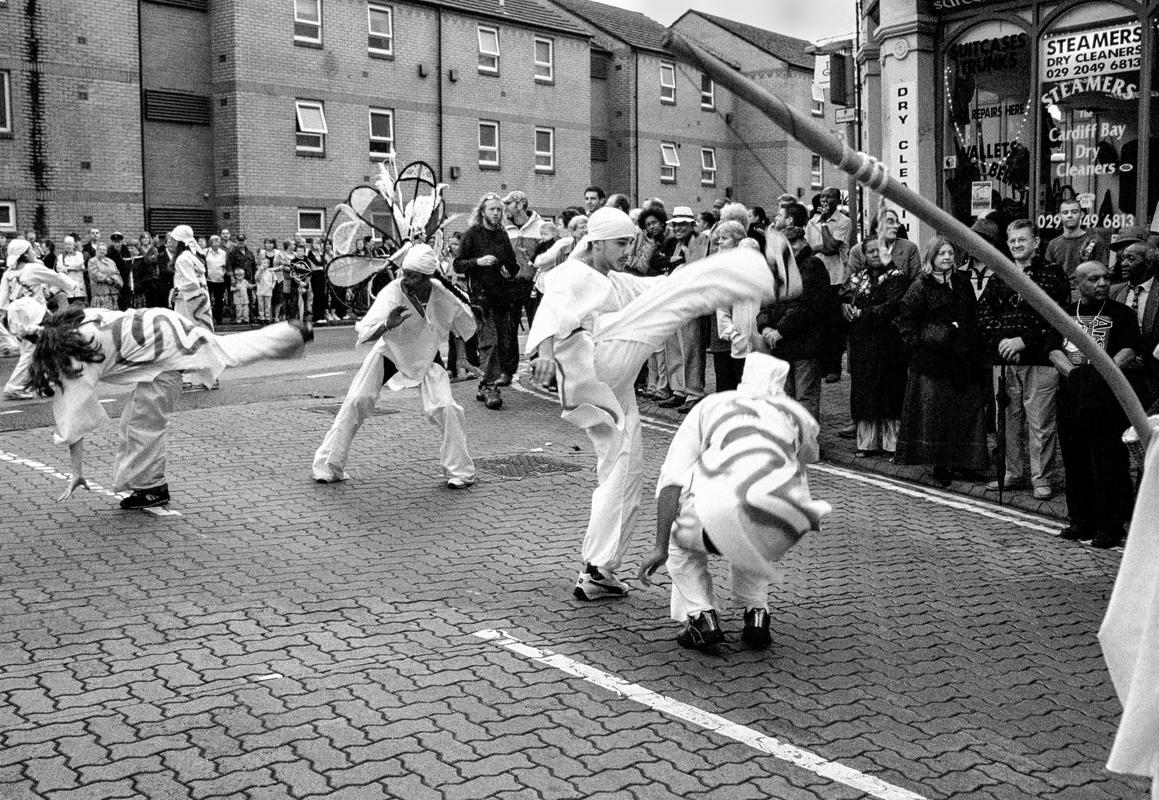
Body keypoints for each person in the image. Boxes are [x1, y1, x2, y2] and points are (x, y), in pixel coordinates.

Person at [527, 207, 791, 601]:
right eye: (619, 243)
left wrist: (687, 278)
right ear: (596, 241)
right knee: (666, 305)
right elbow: (551, 310)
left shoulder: (608, 278)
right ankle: (753, 270)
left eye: (629, 242)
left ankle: (599, 570)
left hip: (610, 389)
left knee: (625, 469)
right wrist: (543, 352)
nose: (626, 249)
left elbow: (648, 286)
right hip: (596, 362)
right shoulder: (573, 273)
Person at [9, 297, 311, 509]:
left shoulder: (71, 353)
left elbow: (73, 415)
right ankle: (292, 333)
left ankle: (152, 488)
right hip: (161, 325)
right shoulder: (75, 319)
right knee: (227, 349)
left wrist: (76, 471)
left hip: (161, 352)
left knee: (144, 424)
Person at [637, 353, 830, 651]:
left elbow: (672, 480)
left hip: (713, 520)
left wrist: (660, 546)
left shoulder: (710, 407)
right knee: (753, 534)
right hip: (781, 525)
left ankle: (702, 617)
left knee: (681, 545)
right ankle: (757, 613)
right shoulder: (790, 417)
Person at [312, 244, 478, 488]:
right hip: (389, 352)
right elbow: (365, 334)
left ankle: (460, 472)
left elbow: (460, 324)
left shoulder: (440, 293)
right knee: (358, 400)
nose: (406, 280)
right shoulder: (392, 290)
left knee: (446, 407)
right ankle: (329, 466)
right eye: (404, 273)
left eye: (412, 276)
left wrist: (462, 358)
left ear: (427, 278)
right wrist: (387, 325)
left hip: (426, 355)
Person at [1049, 261, 1140, 548]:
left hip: (1107, 399)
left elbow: (1129, 348)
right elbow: (1052, 348)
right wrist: (1074, 374)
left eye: (1105, 278)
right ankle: (1081, 521)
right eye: (1094, 279)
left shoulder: (1122, 314)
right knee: (1075, 459)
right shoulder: (1062, 313)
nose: (1102, 283)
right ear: (1078, 283)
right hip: (1072, 396)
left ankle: (1110, 526)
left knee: (1109, 462)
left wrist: (1106, 371)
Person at [977, 220, 1070, 500]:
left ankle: (1041, 478)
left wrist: (1024, 342)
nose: (1017, 245)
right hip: (1004, 362)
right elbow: (983, 314)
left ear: (1036, 242)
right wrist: (1003, 343)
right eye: (1012, 240)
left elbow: (1058, 318)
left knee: (1040, 423)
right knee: (1007, 421)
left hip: (1040, 360)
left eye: (1022, 240)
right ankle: (1012, 474)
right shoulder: (1000, 274)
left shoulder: (1053, 275)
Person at [895, 237, 990, 486]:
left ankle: (965, 463)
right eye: (941, 254)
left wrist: (965, 334)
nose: (947, 257)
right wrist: (937, 334)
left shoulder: (962, 282)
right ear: (931, 257)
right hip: (933, 362)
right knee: (938, 414)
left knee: (966, 413)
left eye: (950, 253)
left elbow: (972, 316)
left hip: (963, 359)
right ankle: (941, 464)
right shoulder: (920, 286)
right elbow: (906, 323)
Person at [840, 236, 910, 457]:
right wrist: (844, 308)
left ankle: (893, 446)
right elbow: (843, 297)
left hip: (890, 345)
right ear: (865, 254)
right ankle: (867, 444)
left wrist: (862, 312)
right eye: (870, 251)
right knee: (865, 394)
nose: (875, 255)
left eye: (879, 250)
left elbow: (892, 306)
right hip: (862, 346)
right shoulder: (856, 278)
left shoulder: (898, 278)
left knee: (890, 394)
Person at [453, 192, 521, 410]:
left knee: (502, 343)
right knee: (489, 342)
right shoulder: (472, 235)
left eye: (499, 209)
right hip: (481, 297)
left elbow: (513, 265)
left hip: (502, 297)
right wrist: (478, 262)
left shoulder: (502, 236)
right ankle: (491, 386)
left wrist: (509, 271)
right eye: (492, 209)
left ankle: (484, 383)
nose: (496, 213)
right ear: (482, 211)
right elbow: (458, 264)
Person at [756, 225, 829, 424]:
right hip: (781, 344)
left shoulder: (812, 265)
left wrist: (780, 330)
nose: (792, 247)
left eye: (795, 242)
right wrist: (765, 327)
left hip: (805, 343)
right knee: (786, 397)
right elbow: (766, 302)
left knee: (805, 398)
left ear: (803, 242)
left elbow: (805, 305)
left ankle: (806, 447)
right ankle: (792, 442)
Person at [1, 239, 76, 399]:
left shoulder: (8, 274)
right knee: (34, 350)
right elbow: (56, 278)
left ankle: (44, 381)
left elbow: (3, 300)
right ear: (25, 254)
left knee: (36, 349)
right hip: (33, 313)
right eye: (30, 250)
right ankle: (14, 387)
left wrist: (4, 316)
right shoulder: (33, 268)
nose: (33, 252)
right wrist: (73, 285)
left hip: (16, 315)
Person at [655, 207, 710, 412]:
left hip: (691, 299)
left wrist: (675, 264)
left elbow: (697, 267)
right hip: (672, 298)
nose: (677, 228)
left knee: (691, 347)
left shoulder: (701, 240)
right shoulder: (672, 242)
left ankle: (694, 391)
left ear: (691, 224)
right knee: (674, 346)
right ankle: (678, 389)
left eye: (682, 224)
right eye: (675, 224)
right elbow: (657, 261)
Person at [804, 187, 852, 383]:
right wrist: (819, 247)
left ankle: (834, 367)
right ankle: (822, 366)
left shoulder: (843, 221)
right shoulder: (810, 222)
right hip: (816, 278)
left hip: (835, 277)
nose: (824, 200)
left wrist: (824, 223)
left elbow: (832, 247)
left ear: (837, 200)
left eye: (829, 197)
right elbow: (808, 248)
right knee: (819, 323)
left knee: (834, 325)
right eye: (822, 196)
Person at [1109, 243, 1159, 407]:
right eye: (1123, 258)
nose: (1123, 263)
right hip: (1120, 373)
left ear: (1148, 263)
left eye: (1131, 258)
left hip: (1151, 376)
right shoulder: (1114, 292)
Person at [709, 220, 757, 393]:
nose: (719, 242)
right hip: (724, 333)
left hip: (742, 338)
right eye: (719, 238)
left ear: (738, 242)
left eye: (724, 238)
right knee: (724, 382)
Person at [1044, 198, 1109, 299]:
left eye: (1074, 212)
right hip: (1060, 294)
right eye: (1065, 212)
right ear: (1059, 216)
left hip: (1088, 294)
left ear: (1081, 214)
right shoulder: (1053, 244)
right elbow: (1047, 274)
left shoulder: (1095, 241)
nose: (1070, 215)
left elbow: (1103, 272)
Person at [169, 225, 213, 331]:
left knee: (187, 334)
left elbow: (192, 283)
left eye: (173, 239)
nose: (170, 242)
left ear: (179, 242)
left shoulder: (182, 259)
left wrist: (176, 291)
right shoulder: (191, 256)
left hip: (188, 303)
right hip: (200, 300)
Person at [87, 242, 123, 310]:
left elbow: (117, 273)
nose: (101, 251)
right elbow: (94, 274)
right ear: (96, 250)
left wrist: (113, 279)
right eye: (99, 249)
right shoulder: (92, 261)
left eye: (103, 249)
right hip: (99, 294)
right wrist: (106, 278)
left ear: (106, 251)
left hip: (113, 293)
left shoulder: (111, 262)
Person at [57, 235, 88, 307]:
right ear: (64, 246)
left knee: (79, 306)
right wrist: (73, 268)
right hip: (67, 286)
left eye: (70, 244)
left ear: (73, 245)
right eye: (66, 244)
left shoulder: (79, 255)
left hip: (78, 286)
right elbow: (59, 268)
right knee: (69, 306)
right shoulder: (61, 257)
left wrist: (67, 268)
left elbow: (80, 266)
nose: (68, 246)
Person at [204, 235, 229, 325]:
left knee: (219, 300)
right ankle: (208, 318)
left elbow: (226, 265)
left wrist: (224, 272)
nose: (216, 243)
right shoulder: (205, 252)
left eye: (217, 241)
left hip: (220, 280)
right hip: (208, 279)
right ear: (210, 243)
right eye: (213, 241)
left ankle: (218, 318)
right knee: (208, 299)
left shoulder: (223, 253)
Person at [255, 256, 275, 323]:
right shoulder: (258, 271)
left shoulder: (271, 271)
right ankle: (261, 317)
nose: (264, 264)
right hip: (260, 290)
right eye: (262, 263)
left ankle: (267, 317)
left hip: (268, 290)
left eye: (265, 263)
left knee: (267, 305)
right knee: (260, 305)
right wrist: (260, 271)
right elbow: (256, 278)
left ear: (268, 264)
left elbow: (274, 280)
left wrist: (273, 285)